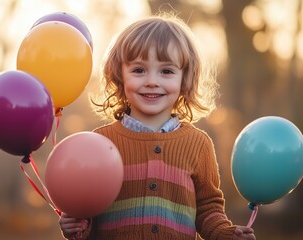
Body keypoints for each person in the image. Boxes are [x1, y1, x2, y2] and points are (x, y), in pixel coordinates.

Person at [59, 12, 256, 240]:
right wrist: (78, 225)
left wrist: (224, 233)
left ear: (185, 79)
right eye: (139, 70)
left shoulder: (198, 145)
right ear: (120, 75)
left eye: (166, 71)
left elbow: (208, 208)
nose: (152, 81)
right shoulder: (99, 143)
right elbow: (87, 207)